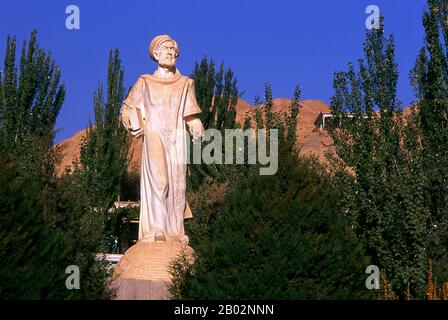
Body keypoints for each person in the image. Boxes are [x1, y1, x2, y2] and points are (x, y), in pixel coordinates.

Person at [119, 35, 204, 244]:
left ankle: (175, 231)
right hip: (154, 134)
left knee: (178, 184)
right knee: (160, 180)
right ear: (156, 54)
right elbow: (127, 108)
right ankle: (156, 228)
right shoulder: (145, 82)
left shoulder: (186, 83)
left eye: (173, 50)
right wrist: (132, 123)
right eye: (165, 49)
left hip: (176, 137)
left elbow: (190, 113)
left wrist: (196, 125)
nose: (170, 53)